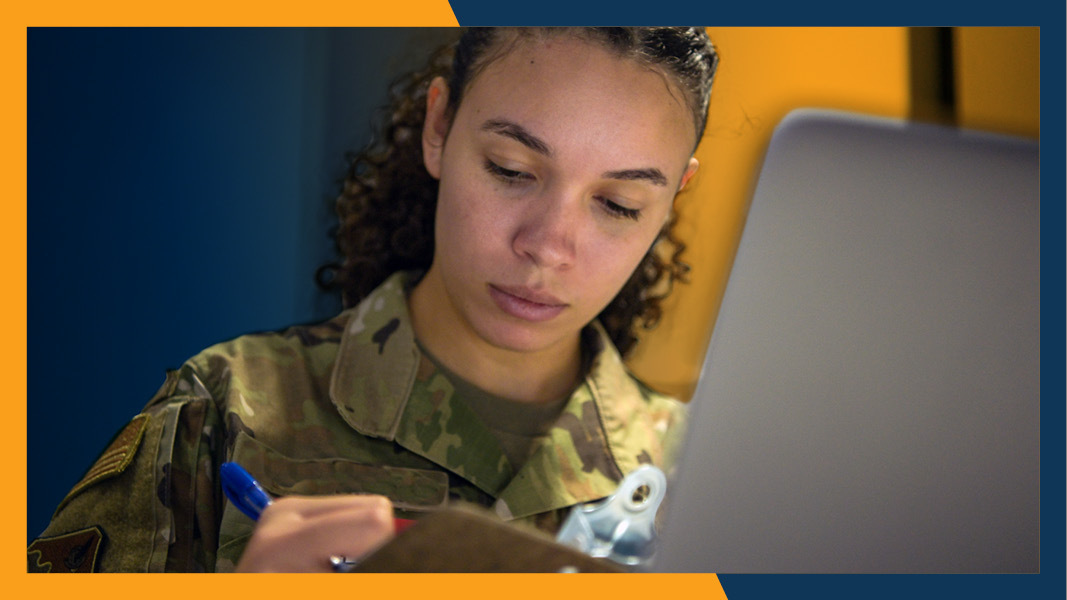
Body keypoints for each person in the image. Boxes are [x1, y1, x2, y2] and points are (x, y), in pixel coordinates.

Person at [28, 26, 719, 572]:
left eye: (618, 204)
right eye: (510, 170)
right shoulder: (224, 408)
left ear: (671, 200)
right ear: (438, 129)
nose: (547, 246)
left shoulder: (714, 481)